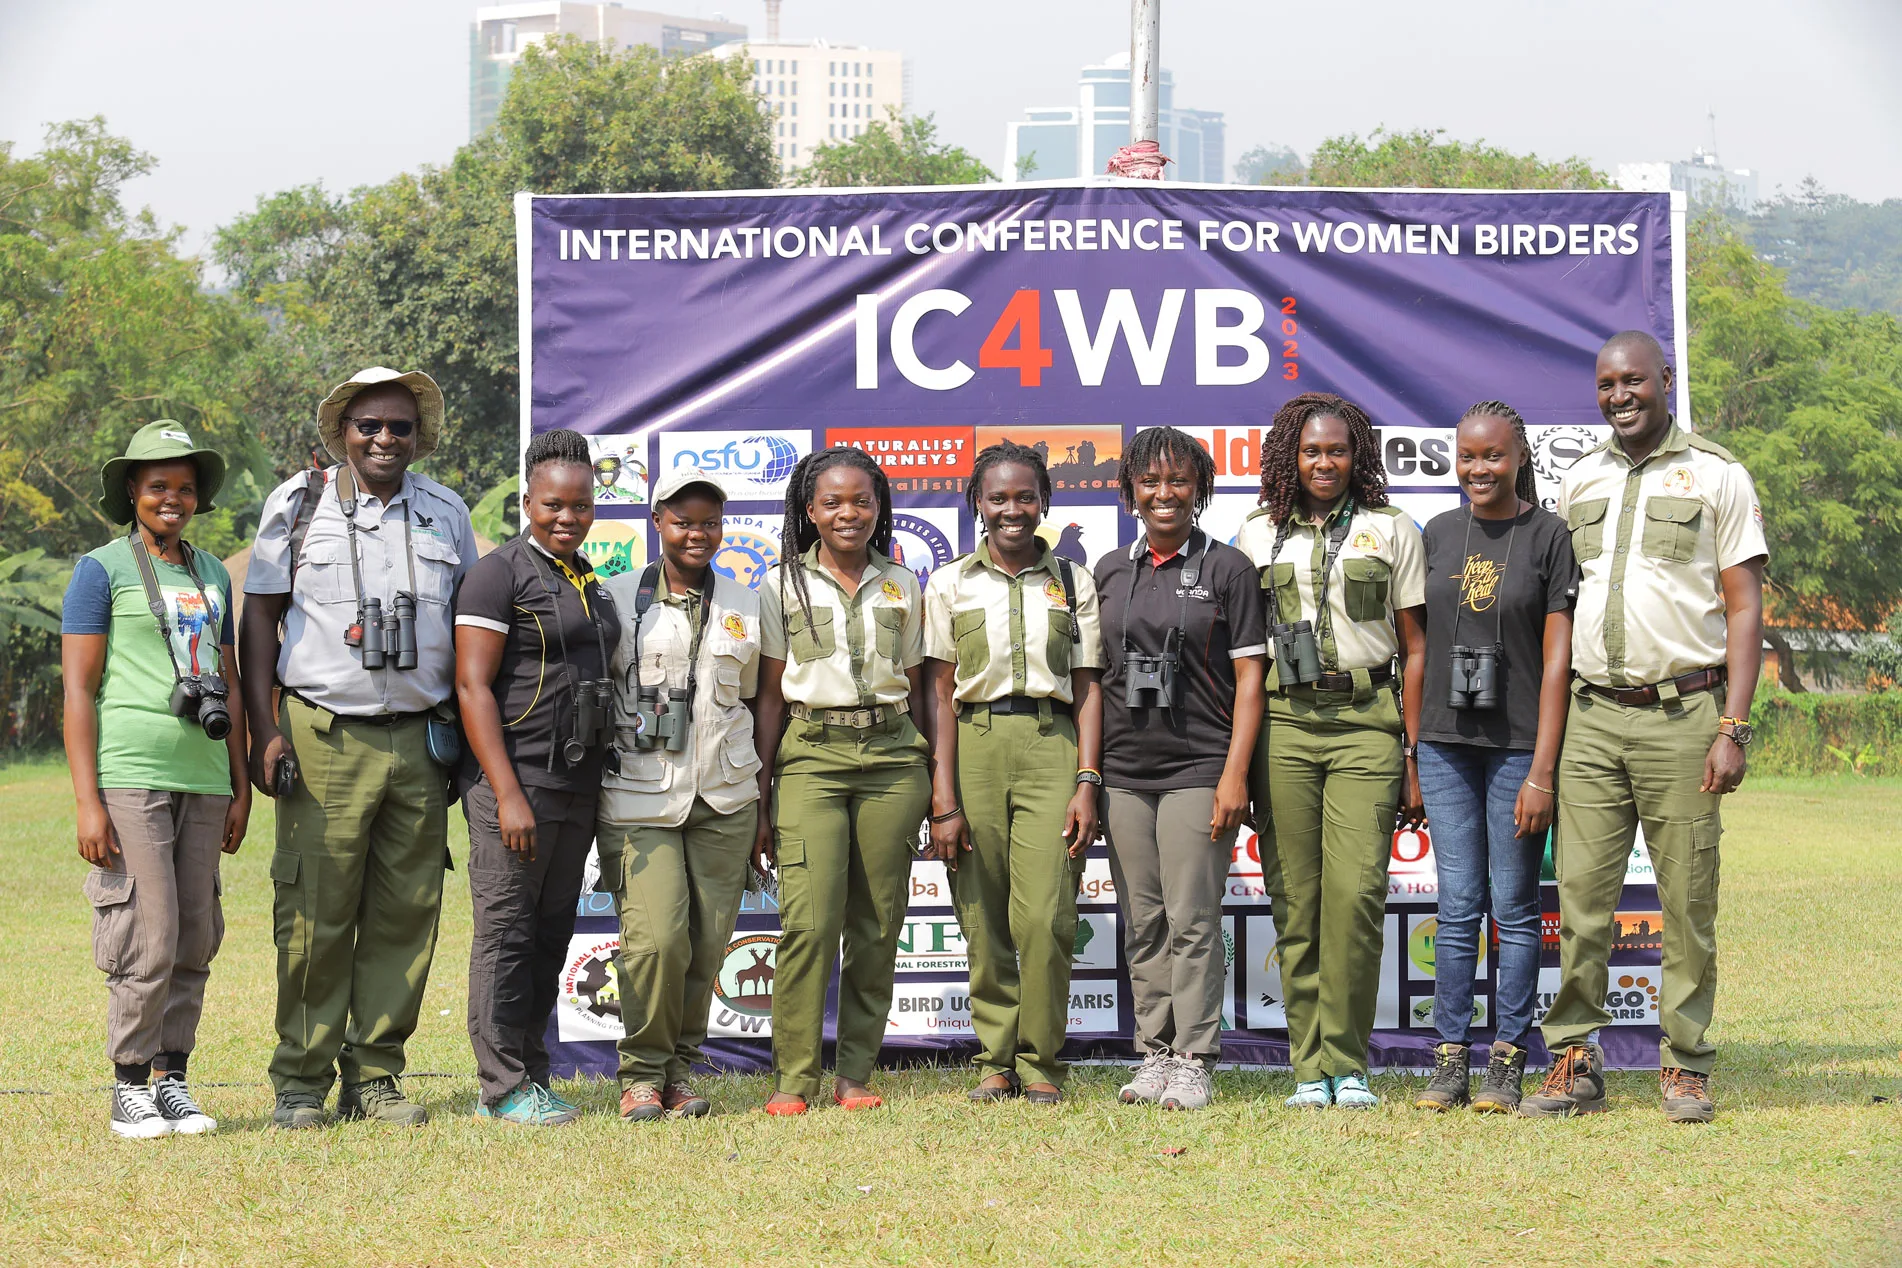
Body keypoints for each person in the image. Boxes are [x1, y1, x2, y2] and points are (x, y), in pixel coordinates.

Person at [1522, 331, 1766, 1123]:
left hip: (1685, 714)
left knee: (1687, 896)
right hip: (1592, 716)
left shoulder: (1718, 475)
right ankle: (1574, 1059)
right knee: (1582, 896)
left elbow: (1743, 607)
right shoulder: (1581, 478)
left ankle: (1685, 1063)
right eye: (1606, 384)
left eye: (1633, 381)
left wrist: (1733, 724)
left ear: (1665, 380)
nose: (1620, 395)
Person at [241, 366, 478, 1130]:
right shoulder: (298, 503)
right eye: (368, 425)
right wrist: (265, 728)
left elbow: (474, 633)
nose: (383, 438)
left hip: (419, 739)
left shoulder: (447, 513)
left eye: (399, 427)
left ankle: (375, 1078)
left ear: (419, 437)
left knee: (405, 914)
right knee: (314, 911)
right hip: (323, 734)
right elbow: (258, 624)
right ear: (342, 430)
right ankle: (301, 1083)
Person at [62, 421, 251, 1138]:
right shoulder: (101, 569)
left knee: (197, 930)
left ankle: (173, 1077)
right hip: (133, 771)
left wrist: (238, 783)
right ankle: (129, 1083)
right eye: (157, 486)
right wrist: (88, 802)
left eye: (184, 488)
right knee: (153, 926)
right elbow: (79, 691)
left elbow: (228, 683)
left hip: (203, 776)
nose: (173, 498)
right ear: (132, 494)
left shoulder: (211, 575)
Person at [1238, 392, 1427, 1111]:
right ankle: (1307, 1067)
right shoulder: (1256, 535)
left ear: (1358, 456)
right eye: (1313, 451)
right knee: (1296, 898)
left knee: (1355, 898)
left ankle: (1347, 1062)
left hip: (1366, 722)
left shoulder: (1391, 529)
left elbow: (1416, 649)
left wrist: (1410, 752)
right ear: (1292, 454)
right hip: (1285, 727)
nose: (1325, 462)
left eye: (1338, 450)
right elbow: (1245, 658)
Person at [923, 441, 1106, 1106]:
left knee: (1048, 915)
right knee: (982, 911)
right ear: (977, 503)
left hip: (1050, 744)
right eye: (998, 497)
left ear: (1045, 502)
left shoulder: (1073, 582)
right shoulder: (949, 583)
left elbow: (1088, 688)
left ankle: (1040, 1060)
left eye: (1024, 496)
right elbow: (939, 694)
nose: (1011, 509)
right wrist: (942, 791)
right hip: (974, 744)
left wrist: (1088, 778)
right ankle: (995, 1059)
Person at [750, 448, 931, 1115]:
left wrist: (938, 784)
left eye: (861, 500)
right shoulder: (780, 586)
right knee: (811, 922)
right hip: (812, 756)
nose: (847, 513)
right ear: (810, 511)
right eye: (832, 502)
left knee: (878, 922)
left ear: (878, 509)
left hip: (891, 757)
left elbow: (921, 688)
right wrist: (762, 799)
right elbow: (768, 698)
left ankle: (855, 1073)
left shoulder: (903, 585)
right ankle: (794, 1078)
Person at [1411, 402, 1578, 1114]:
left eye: (1493, 457)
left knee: (1512, 909)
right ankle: (1450, 1061)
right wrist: (1413, 752)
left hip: (1516, 749)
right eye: (1468, 457)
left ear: (1519, 459)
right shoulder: (1439, 534)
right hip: (1446, 745)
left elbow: (1558, 658)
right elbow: (1414, 647)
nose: (1479, 469)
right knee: (1458, 907)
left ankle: (1506, 1061)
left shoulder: (1548, 536)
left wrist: (1544, 769)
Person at [1095, 426, 1267, 1112]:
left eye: (1178, 481)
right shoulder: (1110, 569)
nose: (1163, 493)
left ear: (1199, 489)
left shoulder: (1228, 568)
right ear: (1130, 489)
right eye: (1150, 481)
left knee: (1192, 917)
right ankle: (1154, 1054)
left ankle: (1194, 1057)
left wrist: (1235, 776)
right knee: (1144, 919)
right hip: (1124, 771)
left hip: (1199, 766)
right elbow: (1094, 679)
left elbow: (1250, 680)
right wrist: (1091, 775)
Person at [454, 429, 622, 1126]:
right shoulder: (499, 574)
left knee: (551, 935)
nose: (567, 517)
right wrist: (508, 795)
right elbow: (471, 686)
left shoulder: (586, 579)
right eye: (553, 504)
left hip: (575, 787)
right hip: (514, 785)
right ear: (527, 500)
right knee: (505, 933)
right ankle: (500, 1086)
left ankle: (531, 1072)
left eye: (580, 506)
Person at [596, 466, 763, 1123]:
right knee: (657, 940)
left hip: (724, 795)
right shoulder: (613, 597)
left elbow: (760, 701)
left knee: (708, 941)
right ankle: (641, 1073)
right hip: (640, 798)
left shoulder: (748, 604)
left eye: (710, 522)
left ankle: (680, 1072)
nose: (698, 533)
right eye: (684, 520)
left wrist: (764, 795)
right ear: (658, 521)